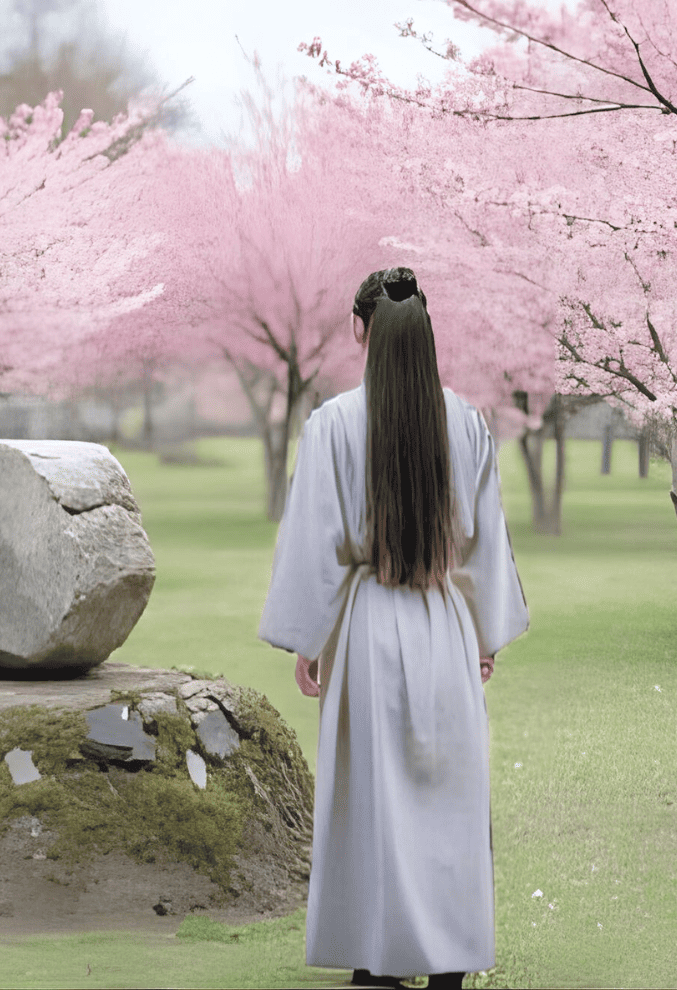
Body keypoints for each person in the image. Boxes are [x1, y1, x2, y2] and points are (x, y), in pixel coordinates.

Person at [258, 268, 529, 990]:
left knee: (375, 805)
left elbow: (316, 544)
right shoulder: (467, 422)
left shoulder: (335, 424)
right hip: (442, 621)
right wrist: (483, 635)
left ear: (359, 329)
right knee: (447, 802)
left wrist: (310, 640)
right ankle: (447, 964)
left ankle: (377, 961)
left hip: (370, 625)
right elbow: (485, 548)